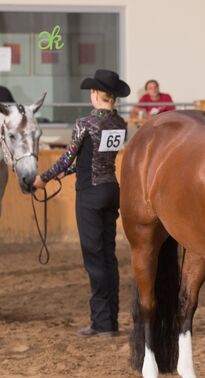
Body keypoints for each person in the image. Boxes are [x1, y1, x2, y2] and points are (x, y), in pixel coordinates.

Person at [34, 69, 130, 338]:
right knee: (108, 257)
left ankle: (101, 323)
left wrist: (43, 178)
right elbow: (100, 158)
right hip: (111, 190)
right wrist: (72, 171)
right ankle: (110, 321)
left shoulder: (85, 123)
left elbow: (66, 158)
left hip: (90, 195)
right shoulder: (120, 123)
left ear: (96, 94)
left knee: (94, 259)